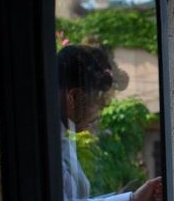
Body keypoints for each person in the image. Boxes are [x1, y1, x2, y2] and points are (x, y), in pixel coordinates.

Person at [58, 44, 162, 201]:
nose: (101, 112)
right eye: (99, 102)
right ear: (73, 97)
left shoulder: (59, 142)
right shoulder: (46, 149)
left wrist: (133, 198)